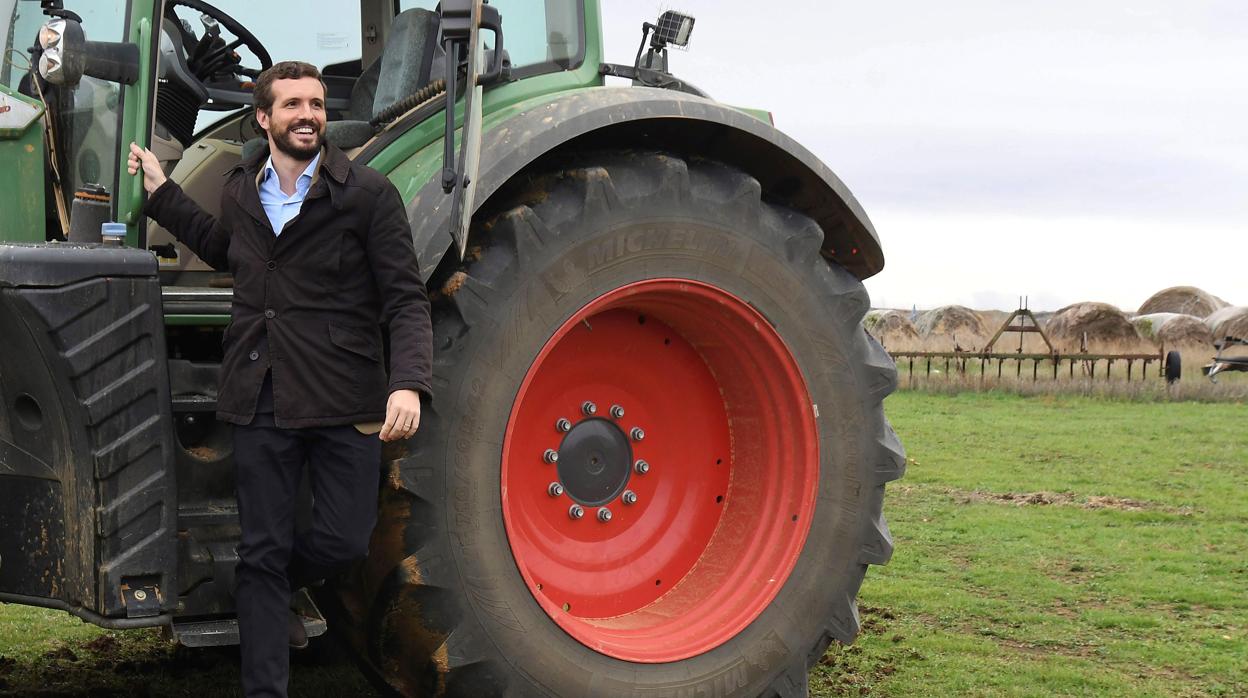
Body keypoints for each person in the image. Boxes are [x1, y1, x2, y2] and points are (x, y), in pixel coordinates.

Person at [128, 61, 432, 698]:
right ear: (263, 117)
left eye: (316, 104)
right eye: (293, 104)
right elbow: (225, 249)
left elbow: (405, 299)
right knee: (263, 553)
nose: (308, 115)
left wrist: (407, 382)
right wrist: (162, 194)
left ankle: (260, 586)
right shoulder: (242, 186)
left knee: (343, 540)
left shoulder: (368, 194)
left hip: (343, 395)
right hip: (261, 394)